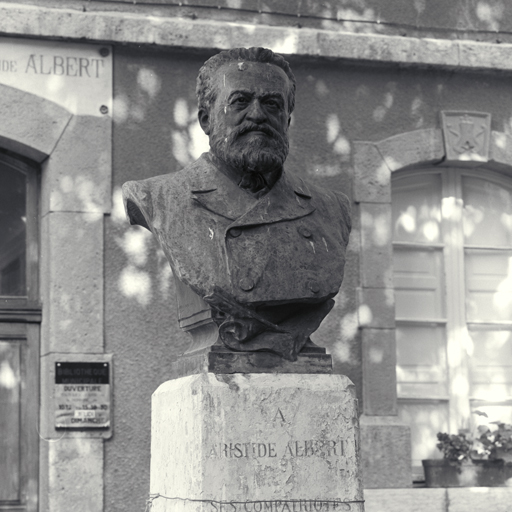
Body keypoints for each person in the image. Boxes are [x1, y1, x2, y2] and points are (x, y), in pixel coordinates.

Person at [122, 47, 351, 361]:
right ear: (206, 119)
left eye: (272, 103)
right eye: (240, 101)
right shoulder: (159, 197)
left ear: (287, 119)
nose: (257, 115)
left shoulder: (330, 208)